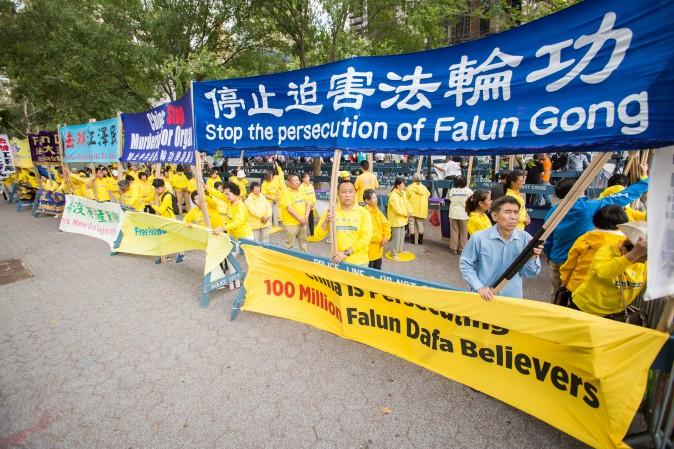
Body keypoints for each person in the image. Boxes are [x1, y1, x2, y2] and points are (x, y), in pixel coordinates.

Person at [544, 161, 649, 302]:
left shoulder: (552, 212)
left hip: (557, 259)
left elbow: (548, 239)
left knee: (556, 295)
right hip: (580, 263)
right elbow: (626, 195)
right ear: (581, 189)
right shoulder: (590, 207)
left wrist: (550, 257)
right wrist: (647, 179)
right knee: (577, 296)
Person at [460, 196, 543, 300]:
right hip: (483, 298)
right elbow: (466, 265)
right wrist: (479, 287)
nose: (513, 217)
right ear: (495, 216)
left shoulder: (526, 239)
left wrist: (532, 256)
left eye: (516, 212)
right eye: (508, 212)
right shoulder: (479, 238)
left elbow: (530, 273)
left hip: (512, 299)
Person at [570, 235, 647, 319]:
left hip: (615, 314)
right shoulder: (607, 251)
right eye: (644, 257)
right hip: (585, 309)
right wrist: (632, 256)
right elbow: (604, 272)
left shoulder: (644, 263)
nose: (645, 261)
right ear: (626, 251)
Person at [559, 205, 629, 294]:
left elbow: (570, 264)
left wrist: (564, 282)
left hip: (578, 287)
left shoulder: (586, 238)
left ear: (597, 219)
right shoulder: (626, 243)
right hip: (608, 291)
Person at [313, 179, 373, 265]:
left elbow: (365, 239)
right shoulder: (331, 212)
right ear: (338, 194)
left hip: (359, 263)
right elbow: (317, 236)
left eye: (350, 192)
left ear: (355, 193)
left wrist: (346, 253)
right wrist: (326, 222)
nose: (347, 195)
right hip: (337, 261)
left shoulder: (364, 213)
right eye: (344, 192)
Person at [149, 179, 184, 264]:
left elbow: (161, 210)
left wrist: (152, 205)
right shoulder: (160, 193)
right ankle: (165, 256)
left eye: (157, 189)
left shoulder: (167, 196)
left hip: (170, 220)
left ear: (162, 187)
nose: (156, 191)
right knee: (164, 238)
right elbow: (150, 197)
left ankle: (181, 254)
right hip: (164, 219)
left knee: (174, 238)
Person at [280, 173, 309, 251]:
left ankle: (304, 255)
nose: (297, 182)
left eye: (298, 180)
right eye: (295, 180)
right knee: (290, 243)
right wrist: (301, 219)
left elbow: (307, 204)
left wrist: (306, 217)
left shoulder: (301, 190)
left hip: (302, 221)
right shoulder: (286, 193)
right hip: (291, 223)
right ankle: (287, 258)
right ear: (289, 183)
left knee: (303, 241)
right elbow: (290, 209)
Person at [364, 189, 391, 270]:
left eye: (376, 197)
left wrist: (386, 236)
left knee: (378, 268)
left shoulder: (377, 211)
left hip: (379, 249)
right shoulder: (365, 213)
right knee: (369, 271)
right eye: (373, 198)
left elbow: (386, 224)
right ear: (367, 201)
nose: (376, 199)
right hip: (369, 250)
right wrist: (381, 238)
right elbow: (367, 232)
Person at [447, 176, 473, 255]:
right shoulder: (469, 191)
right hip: (464, 214)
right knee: (464, 233)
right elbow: (472, 202)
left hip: (453, 213)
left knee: (454, 231)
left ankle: (453, 248)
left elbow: (450, 199)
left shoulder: (452, 190)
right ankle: (462, 249)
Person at [387, 177, 411, 261]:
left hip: (403, 219)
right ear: (398, 185)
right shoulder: (393, 195)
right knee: (396, 238)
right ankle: (394, 253)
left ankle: (400, 249)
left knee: (401, 236)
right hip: (396, 219)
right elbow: (396, 209)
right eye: (403, 184)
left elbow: (407, 203)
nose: (404, 185)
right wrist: (406, 214)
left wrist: (409, 211)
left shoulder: (403, 193)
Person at [406, 173, 431, 245]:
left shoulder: (409, 187)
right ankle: (420, 240)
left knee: (411, 223)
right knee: (420, 224)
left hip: (412, 209)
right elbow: (428, 194)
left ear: (413, 179)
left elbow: (405, 197)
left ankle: (413, 240)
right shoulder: (424, 188)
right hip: (421, 209)